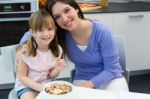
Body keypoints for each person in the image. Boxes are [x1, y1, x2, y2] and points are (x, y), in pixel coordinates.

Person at [20, 0, 129, 91]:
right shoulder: (59, 34)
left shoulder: (102, 31)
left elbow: (112, 69)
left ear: (76, 8)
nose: (64, 19)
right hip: (83, 78)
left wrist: (90, 84)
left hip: (111, 79)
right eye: (57, 17)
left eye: (67, 10)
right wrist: (20, 49)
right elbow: (32, 32)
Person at [15, 9, 65, 99]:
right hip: (27, 86)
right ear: (33, 32)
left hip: (47, 85)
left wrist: (57, 69)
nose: (46, 34)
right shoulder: (25, 52)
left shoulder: (57, 49)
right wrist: (39, 87)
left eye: (49, 29)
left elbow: (51, 75)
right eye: (40, 30)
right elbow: (22, 77)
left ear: (55, 30)